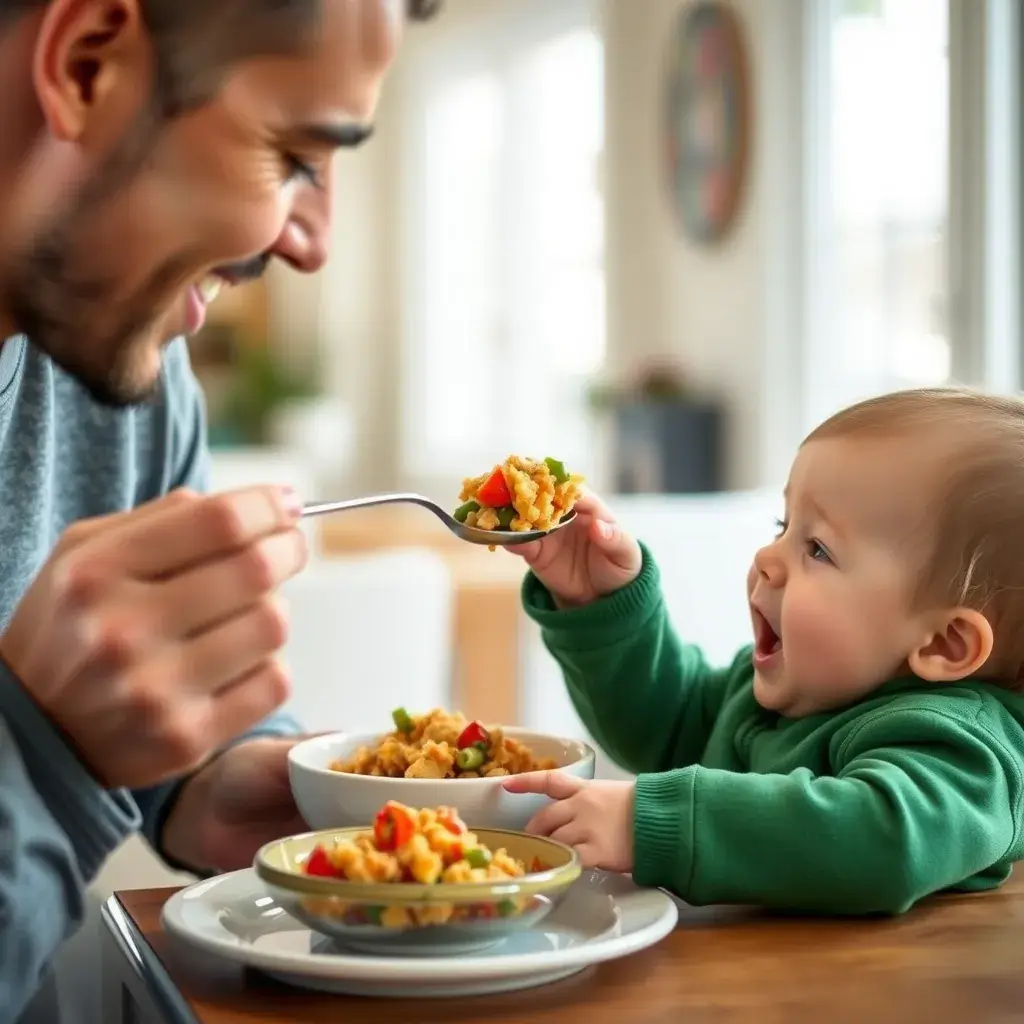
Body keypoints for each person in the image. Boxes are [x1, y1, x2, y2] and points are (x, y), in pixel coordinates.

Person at [0, 1, 439, 1020]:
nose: (313, 242)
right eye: (294, 155)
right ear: (87, 63)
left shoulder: (135, 379)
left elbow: (154, 758)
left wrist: (213, 782)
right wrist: (44, 743)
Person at [505, 387, 1024, 916]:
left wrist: (656, 822)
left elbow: (886, 836)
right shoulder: (783, 691)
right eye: (783, 526)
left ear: (943, 644)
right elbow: (668, 723)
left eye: (818, 548)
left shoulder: (962, 750)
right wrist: (601, 602)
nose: (767, 557)